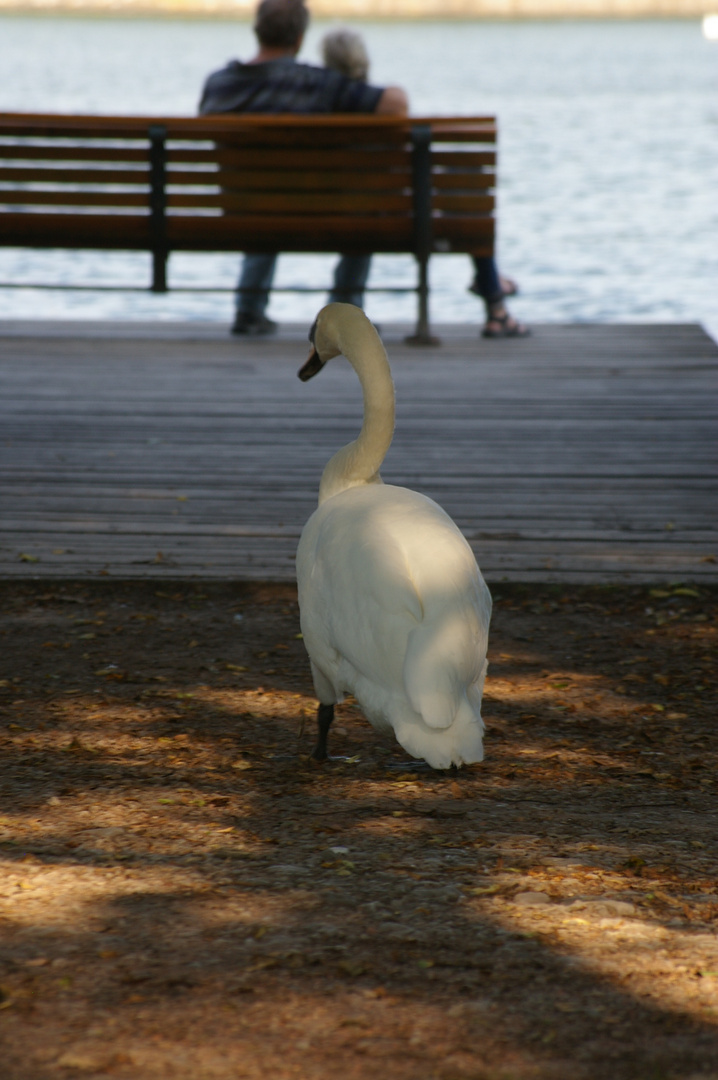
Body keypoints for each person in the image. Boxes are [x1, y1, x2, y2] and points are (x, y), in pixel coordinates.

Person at [199, 0, 408, 336]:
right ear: (298, 39)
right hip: (318, 211)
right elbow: (396, 107)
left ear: (256, 30)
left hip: (241, 211)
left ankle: (249, 309)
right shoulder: (316, 83)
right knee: (366, 200)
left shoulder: (218, 85)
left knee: (262, 195)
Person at [320, 26, 527, 339]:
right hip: (404, 224)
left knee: (362, 212)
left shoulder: (313, 108)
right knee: (468, 189)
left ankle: (344, 311)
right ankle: (495, 302)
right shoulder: (387, 107)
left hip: (320, 216)